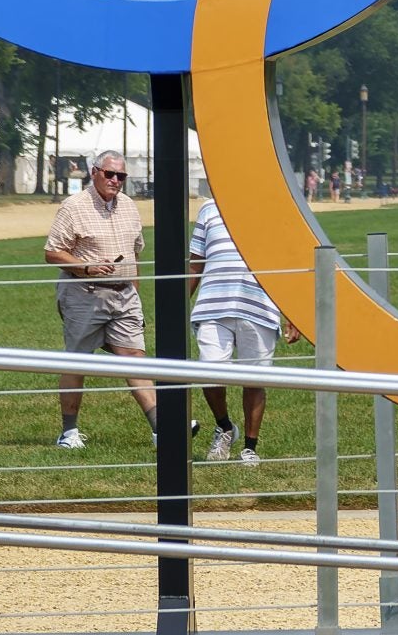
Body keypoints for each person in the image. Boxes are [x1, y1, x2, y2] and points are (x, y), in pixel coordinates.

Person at [43, 152, 166, 447]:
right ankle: (69, 433)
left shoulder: (129, 207)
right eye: (110, 174)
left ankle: (161, 428)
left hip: (124, 295)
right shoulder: (73, 206)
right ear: (95, 172)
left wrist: (135, 293)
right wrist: (86, 267)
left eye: (121, 176)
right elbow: (52, 252)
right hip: (84, 294)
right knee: (78, 362)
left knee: (134, 357)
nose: (115, 181)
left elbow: (135, 254)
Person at [188, 196, 283, 465]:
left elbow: (287, 261)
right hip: (212, 305)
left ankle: (250, 448)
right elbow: (196, 262)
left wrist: (294, 314)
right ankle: (225, 427)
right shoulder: (208, 208)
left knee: (254, 380)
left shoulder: (273, 207)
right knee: (209, 372)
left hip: (259, 306)